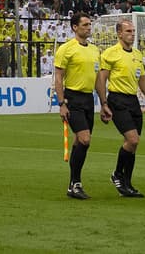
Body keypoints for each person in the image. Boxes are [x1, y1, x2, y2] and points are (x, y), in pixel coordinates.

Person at [96, 19, 145, 198]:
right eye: (128, 31)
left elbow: (142, 79)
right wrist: (104, 104)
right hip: (117, 99)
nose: (132, 34)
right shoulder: (110, 53)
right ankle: (117, 174)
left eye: (133, 31)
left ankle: (127, 184)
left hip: (133, 101)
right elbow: (101, 79)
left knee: (134, 145)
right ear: (119, 34)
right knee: (133, 140)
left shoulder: (138, 54)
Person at [55, 13, 100, 199]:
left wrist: (104, 103)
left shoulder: (95, 50)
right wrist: (61, 103)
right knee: (85, 139)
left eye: (90, 24)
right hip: (73, 98)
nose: (89, 28)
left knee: (80, 142)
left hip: (89, 99)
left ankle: (73, 185)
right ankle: (76, 183)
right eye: (85, 25)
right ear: (75, 27)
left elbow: (97, 78)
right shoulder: (66, 49)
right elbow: (58, 78)